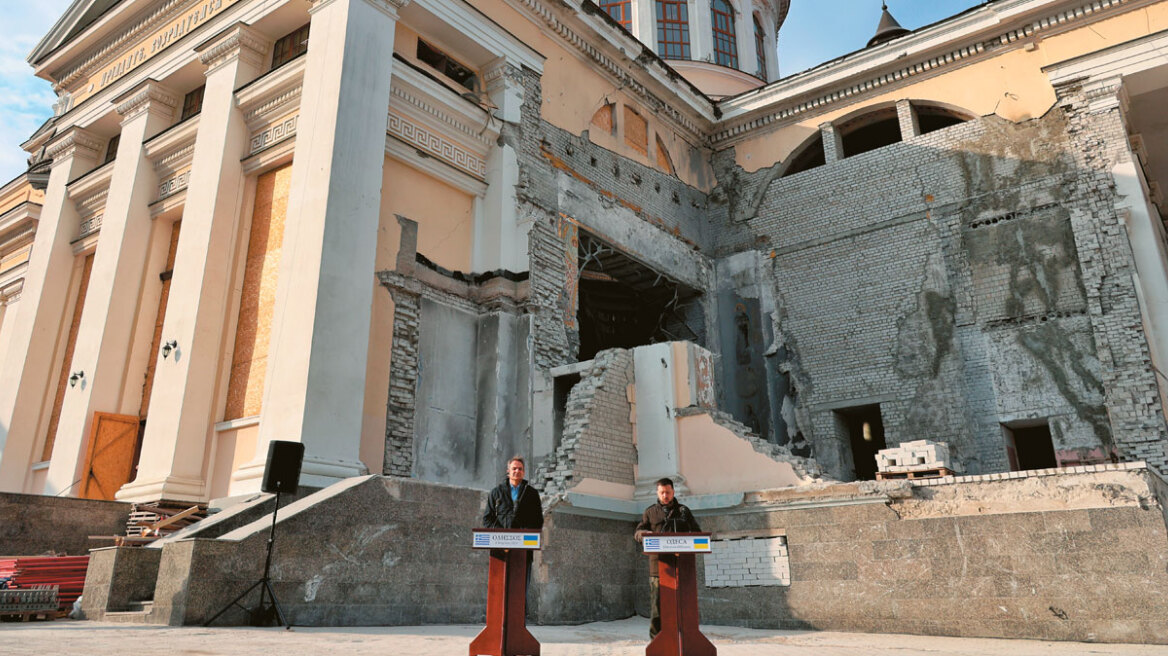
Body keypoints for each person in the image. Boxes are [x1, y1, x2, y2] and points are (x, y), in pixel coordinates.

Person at [634, 477, 701, 639]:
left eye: (668, 492)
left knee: (684, 605)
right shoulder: (650, 512)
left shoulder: (683, 511)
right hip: (658, 568)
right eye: (662, 492)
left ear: (673, 492)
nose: (665, 495)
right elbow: (638, 532)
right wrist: (644, 535)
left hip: (682, 566)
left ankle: (684, 638)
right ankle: (656, 640)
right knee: (658, 607)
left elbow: (697, 533)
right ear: (658, 493)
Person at [482, 456, 544, 605]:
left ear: (524, 472)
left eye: (520, 469)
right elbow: (487, 519)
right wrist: (502, 536)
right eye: (514, 468)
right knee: (500, 589)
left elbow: (538, 521)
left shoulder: (532, 494)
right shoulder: (496, 493)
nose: (517, 471)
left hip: (523, 552)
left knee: (519, 590)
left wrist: (523, 536)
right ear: (508, 471)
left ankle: (518, 620)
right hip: (500, 551)